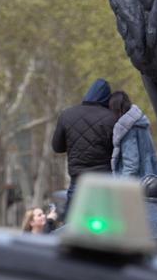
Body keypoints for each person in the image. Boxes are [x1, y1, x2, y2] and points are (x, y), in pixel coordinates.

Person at [51, 79, 119, 215]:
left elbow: (57, 147)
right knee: (107, 226)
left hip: (78, 180)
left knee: (73, 224)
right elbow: (116, 150)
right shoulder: (112, 118)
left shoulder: (67, 115)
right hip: (104, 181)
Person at [108, 91, 157, 179]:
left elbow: (131, 165)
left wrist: (120, 187)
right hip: (153, 176)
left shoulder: (127, 128)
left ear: (116, 109)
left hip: (139, 183)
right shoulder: (140, 122)